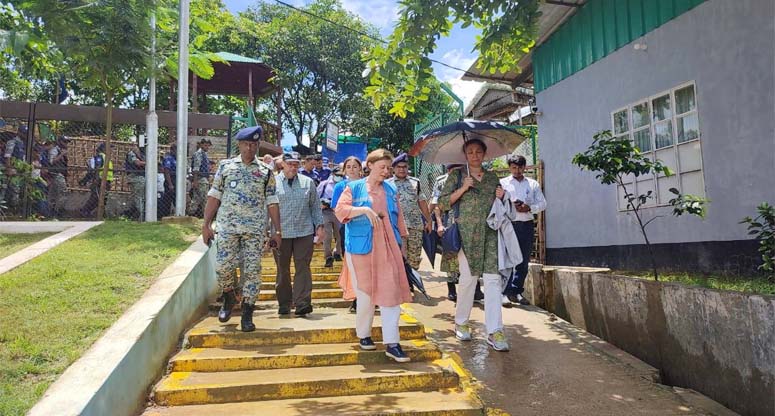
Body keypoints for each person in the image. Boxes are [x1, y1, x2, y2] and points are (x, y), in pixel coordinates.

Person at [335, 149, 413, 363]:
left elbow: (399, 218)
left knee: (391, 294)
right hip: (361, 248)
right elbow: (340, 211)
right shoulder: (352, 187)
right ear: (369, 166)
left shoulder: (390, 189)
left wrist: (403, 243)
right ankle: (364, 334)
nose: (386, 172)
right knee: (366, 295)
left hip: (388, 245)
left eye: (388, 168)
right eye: (382, 168)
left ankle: (392, 343)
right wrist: (363, 210)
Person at [202, 126, 282, 332]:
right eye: (247, 144)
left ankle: (247, 312)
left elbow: (272, 201)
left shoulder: (266, 172)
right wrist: (206, 224)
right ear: (239, 144)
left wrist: (277, 231)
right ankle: (229, 296)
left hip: (254, 230)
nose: (250, 148)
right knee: (222, 267)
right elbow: (214, 195)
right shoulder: (226, 166)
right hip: (228, 227)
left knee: (252, 272)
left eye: (254, 144)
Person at [438, 138, 510, 352]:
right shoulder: (457, 176)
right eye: (470, 152)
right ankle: (461, 322)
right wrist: (463, 188)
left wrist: (502, 196)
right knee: (468, 280)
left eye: (479, 151)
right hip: (466, 235)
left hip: (490, 235)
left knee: (493, 281)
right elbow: (442, 203)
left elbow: (501, 206)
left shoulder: (492, 178)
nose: (475, 155)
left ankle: (495, 331)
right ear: (465, 155)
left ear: (484, 154)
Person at [273, 151, 325, 316]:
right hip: (281, 233)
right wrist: (266, 233)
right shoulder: (272, 183)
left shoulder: (307, 182)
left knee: (303, 267)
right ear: (282, 164)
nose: (293, 167)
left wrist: (320, 226)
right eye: (290, 164)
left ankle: (302, 302)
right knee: (283, 269)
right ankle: (284, 303)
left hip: (304, 232)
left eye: (296, 164)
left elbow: (315, 206)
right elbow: (266, 208)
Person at [500, 155, 547, 306]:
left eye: (520, 167)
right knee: (508, 259)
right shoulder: (503, 183)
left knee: (523, 260)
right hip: (509, 225)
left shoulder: (532, 184)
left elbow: (543, 203)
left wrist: (529, 208)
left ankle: (516, 291)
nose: (517, 171)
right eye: (514, 167)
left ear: (525, 167)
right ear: (509, 168)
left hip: (526, 224)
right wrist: (511, 206)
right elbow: (497, 203)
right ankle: (504, 292)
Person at [386, 153, 432, 272]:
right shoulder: (388, 184)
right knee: (398, 255)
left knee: (414, 256)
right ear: (393, 169)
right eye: (399, 167)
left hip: (415, 226)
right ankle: (403, 283)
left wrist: (429, 220)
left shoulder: (415, 183)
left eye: (404, 167)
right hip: (396, 227)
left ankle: (412, 280)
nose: (402, 169)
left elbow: (422, 202)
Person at [332, 156, 363, 313]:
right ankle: (356, 298)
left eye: (355, 166)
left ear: (361, 168)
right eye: (348, 166)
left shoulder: (368, 185)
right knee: (353, 265)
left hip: (368, 229)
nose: (352, 169)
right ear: (344, 170)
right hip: (349, 228)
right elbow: (337, 210)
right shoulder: (340, 187)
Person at [317, 166, 344, 267]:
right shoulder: (324, 184)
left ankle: (337, 252)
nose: (339, 177)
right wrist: (325, 202)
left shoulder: (344, 184)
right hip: (326, 212)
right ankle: (328, 257)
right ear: (333, 174)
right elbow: (316, 196)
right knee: (327, 236)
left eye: (341, 175)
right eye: (337, 175)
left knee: (339, 235)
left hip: (339, 212)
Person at [79, 143, 113, 218]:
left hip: (106, 181)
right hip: (100, 181)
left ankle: (92, 213)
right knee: (96, 198)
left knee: (102, 199)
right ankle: (85, 211)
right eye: (110, 148)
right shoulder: (100, 157)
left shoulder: (106, 157)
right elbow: (96, 169)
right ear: (104, 148)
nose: (111, 150)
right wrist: (96, 180)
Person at [4, 125, 28, 211]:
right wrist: (9, 168)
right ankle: (11, 210)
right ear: (19, 132)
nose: (25, 135)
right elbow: (8, 156)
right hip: (13, 169)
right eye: (24, 133)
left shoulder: (23, 144)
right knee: (13, 192)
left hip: (21, 171)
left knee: (20, 191)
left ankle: (15, 210)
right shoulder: (12, 142)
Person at [47, 136, 70, 217]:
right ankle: (58, 211)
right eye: (65, 141)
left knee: (54, 194)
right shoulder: (54, 150)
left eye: (67, 142)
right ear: (59, 141)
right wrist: (62, 154)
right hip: (56, 174)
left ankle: (53, 212)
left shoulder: (61, 150)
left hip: (60, 174)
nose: (66, 144)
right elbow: (51, 161)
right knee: (63, 193)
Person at [189, 138, 212, 217]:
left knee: (197, 199)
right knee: (204, 199)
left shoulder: (204, 154)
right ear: (201, 145)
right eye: (205, 145)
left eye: (208, 146)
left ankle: (191, 214)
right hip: (200, 179)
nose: (207, 147)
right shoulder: (199, 154)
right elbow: (196, 168)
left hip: (203, 179)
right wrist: (195, 181)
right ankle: (204, 216)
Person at [125, 141, 146, 220]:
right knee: (139, 198)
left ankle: (135, 215)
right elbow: (137, 163)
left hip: (140, 177)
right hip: (136, 177)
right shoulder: (132, 153)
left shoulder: (143, 154)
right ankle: (141, 218)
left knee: (139, 198)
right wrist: (150, 163)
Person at [160, 143, 177, 217]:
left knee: (176, 198)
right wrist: (170, 184)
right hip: (170, 179)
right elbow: (166, 171)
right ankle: (164, 215)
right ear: (172, 150)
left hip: (176, 180)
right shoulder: (168, 158)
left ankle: (177, 214)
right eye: (176, 150)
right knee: (168, 199)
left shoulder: (177, 158)